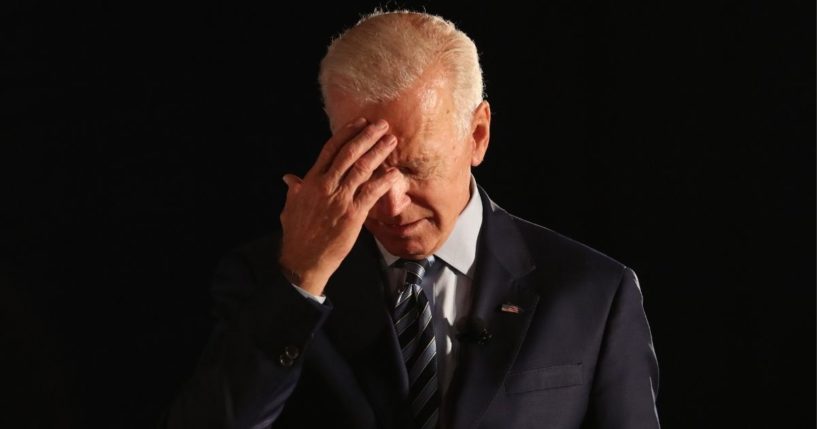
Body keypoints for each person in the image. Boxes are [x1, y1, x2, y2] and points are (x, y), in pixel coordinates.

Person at [164, 10, 660, 429]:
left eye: (417, 168)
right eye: (367, 169)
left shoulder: (594, 293)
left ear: (478, 135)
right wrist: (300, 280)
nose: (392, 204)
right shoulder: (261, 278)